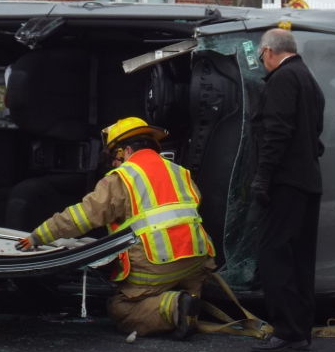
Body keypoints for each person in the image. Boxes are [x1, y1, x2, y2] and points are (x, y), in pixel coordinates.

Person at [16, 117, 215, 339]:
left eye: (114, 157)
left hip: (158, 264)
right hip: (197, 260)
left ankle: (175, 307)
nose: (113, 164)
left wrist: (38, 236)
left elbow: (82, 216)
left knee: (121, 308)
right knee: (185, 290)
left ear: (126, 151)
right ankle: (189, 304)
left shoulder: (123, 177)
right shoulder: (179, 171)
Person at [249, 27, 325, 352]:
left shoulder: (282, 79)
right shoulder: (308, 79)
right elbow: (314, 133)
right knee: (300, 259)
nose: (261, 60)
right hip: (308, 182)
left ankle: (287, 331)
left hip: (285, 183)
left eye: (261, 55)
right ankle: (300, 331)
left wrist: (263, 177)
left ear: (268, 51)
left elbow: (276, 133)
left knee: (274, 256)